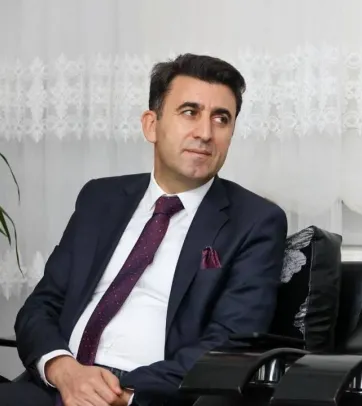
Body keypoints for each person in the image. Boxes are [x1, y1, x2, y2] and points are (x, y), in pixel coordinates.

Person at [0, 54, 288, 406]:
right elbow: (42, 305)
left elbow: (231, 341)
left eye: (221, 119)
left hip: (145, 395)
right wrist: (63, 369)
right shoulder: (100, 199)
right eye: (190, 112)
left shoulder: (255, 221)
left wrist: (121, 395)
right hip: (58, 383)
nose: (205, 133)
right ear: (151, 125)